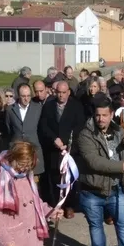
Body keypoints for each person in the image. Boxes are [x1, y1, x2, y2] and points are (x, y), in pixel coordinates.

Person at [75, 94, 124, 246]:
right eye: (98, 115)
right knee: (95, 225)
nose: (101, 119)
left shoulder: (119, 131)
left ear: (111, 114)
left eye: (105, 115)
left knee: (122, 224)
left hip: (116, 188)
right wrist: (123, 166)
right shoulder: (85, 135)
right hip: (92, 189)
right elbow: (94, 162)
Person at [39, 80, 85, 211]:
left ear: (68, 92)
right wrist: (54, 139)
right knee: (54, 176)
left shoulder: (76, 106)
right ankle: (55, 205)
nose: (61, 95)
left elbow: (80, 127)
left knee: (69, 177)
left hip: (70, 149)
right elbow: (43, 126)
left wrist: (67, 143)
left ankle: (70, 205)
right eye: (58, 92)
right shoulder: (48, 106)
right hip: (53, 148)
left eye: (64, 93)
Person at [5, 84, 45, 180]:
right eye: (23, 96)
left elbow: (41, 129)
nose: (26, 99)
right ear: (18, 96)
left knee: (34, 183)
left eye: (28, 96)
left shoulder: (38, 108)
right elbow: (8, 129)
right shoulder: (10, 110)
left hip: (33, 150)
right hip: (16, 151)